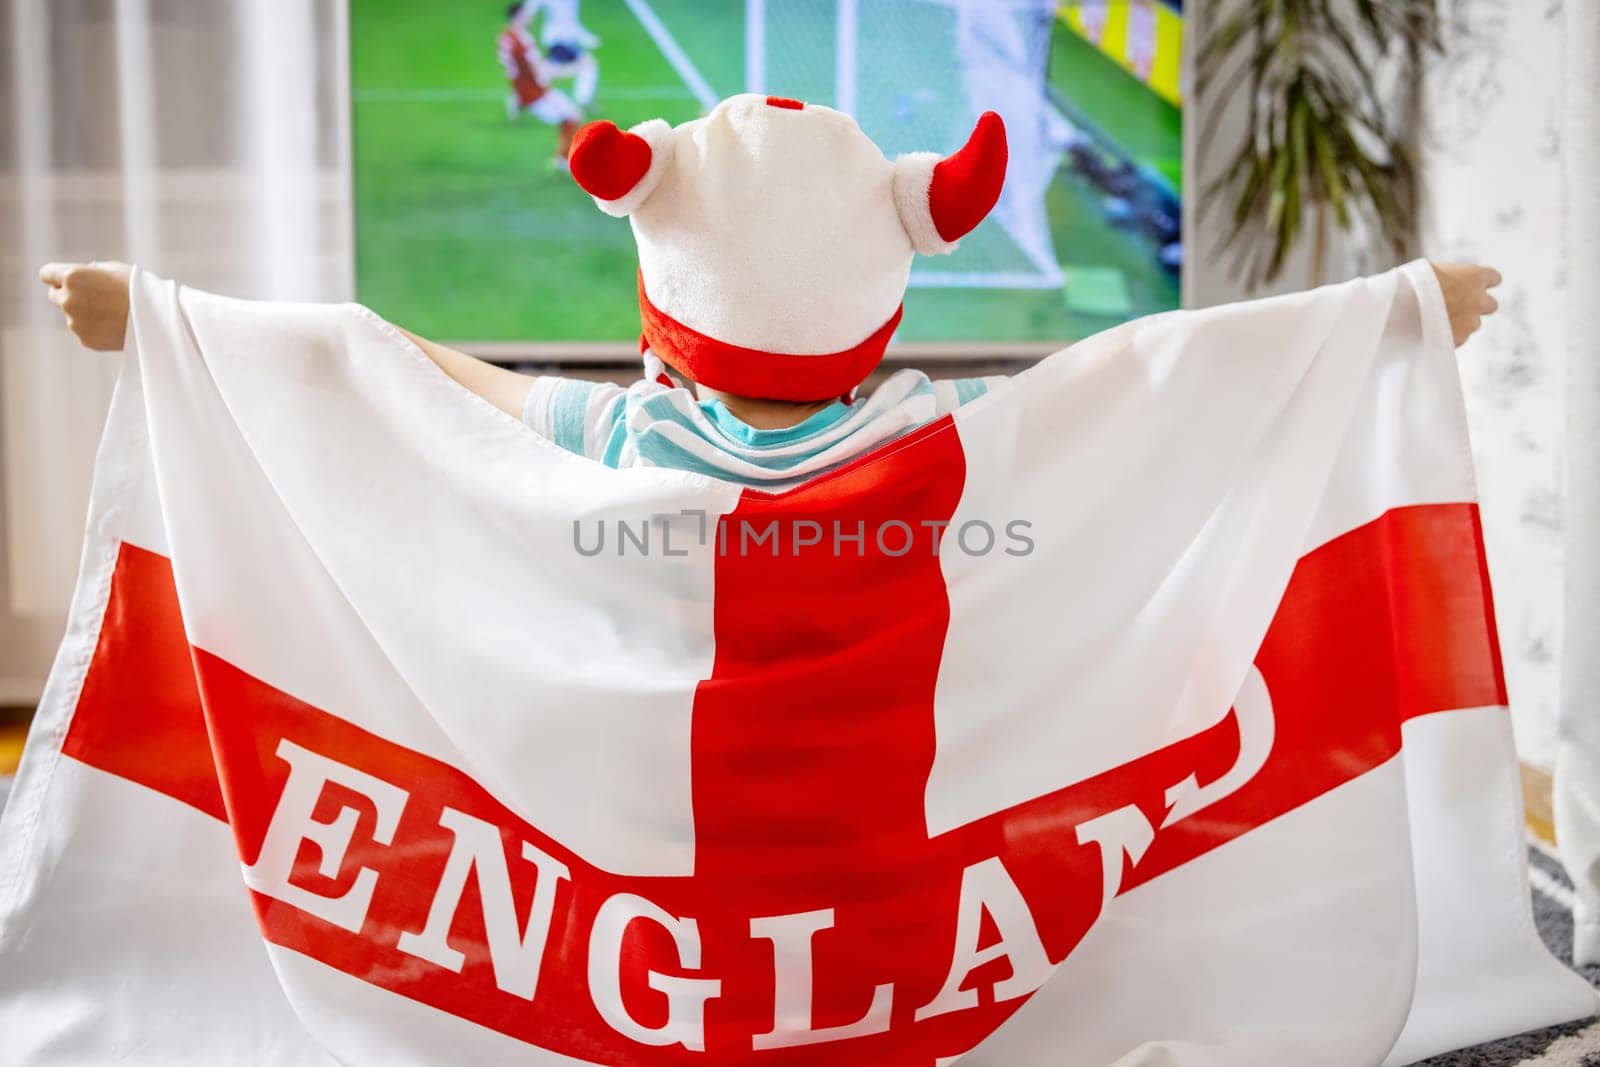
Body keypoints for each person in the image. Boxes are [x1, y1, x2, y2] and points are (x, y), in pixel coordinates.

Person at [38, 96, 1501, 491]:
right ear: (882, 303)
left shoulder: (618, 440)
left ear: (664, 301)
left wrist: (163, 315)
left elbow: (394, 362)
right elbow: (1162, 375)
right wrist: (1390, 307)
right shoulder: (943, 434)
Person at [498, 0, 582, 168]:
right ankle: (562, 160)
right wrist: (570, 69)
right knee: (573, 116)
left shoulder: (506, 37)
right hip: (536, 93)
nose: (531, 16)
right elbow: (539, 71)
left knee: (567, 113)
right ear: (519, 16)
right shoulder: (523, 43)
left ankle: (517, 102)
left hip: (521, 86)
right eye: (526, 14)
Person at [531, 0, 600, 112]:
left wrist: (587, 38)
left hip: (562, 41)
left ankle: (583, 100)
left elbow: (571, 22)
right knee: (586, 65)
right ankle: (582, 101)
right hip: (558, 41)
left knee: (587, 65)